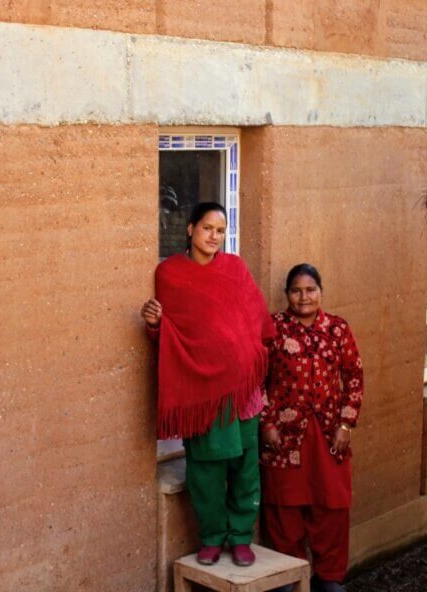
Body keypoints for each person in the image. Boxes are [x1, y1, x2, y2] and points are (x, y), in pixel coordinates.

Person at [141, 202, 274, 567]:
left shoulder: (235, 268)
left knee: (245, 469)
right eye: (207, 228)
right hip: (202, 394)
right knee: (206, 471)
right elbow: (172, 334)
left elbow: (257, 320)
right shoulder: (169, 274)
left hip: (243, 393)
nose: (214, 236)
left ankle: (241, 537)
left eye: (220, 230)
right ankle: (213, 538)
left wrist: (248, 360)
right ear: (190, 229)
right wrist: (155, 324)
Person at [259, 264, 363, 592]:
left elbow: (355, 376)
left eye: (310, 290)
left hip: (329, 437)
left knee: (330, 506)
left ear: (321, 291)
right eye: (296, 291)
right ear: (287, 294)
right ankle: (288, 579)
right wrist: (267, 423)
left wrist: (346, 423)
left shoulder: (338, 329)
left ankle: (329, 579)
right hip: (284, 440)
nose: (303, 297)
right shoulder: (272, 328)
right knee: (284, 508)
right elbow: (255, 379)